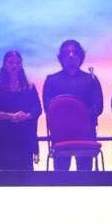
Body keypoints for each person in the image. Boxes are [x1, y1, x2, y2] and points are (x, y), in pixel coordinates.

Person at [42, 40, 103, 171]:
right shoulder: (52, 80)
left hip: (85, 133)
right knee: (61, 177)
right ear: (61, 58)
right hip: (61, 133)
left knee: (86, 176)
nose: (70, 55)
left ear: (81, 56)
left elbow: (98, 106)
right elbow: (49, 108)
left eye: (74, 52)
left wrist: (80, 120)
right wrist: (67, 121)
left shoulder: (90, 79)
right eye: (66, 52)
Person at [0, 50, 40, 171]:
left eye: (18, 63)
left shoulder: (29, 86)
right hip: (4, 138)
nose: (14, 65)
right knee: (3, 177)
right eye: (11, 62)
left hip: (24, 137)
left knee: (26, 176)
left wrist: (26, 116)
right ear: (4, 64)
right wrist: (9, 116)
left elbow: (37, 109)